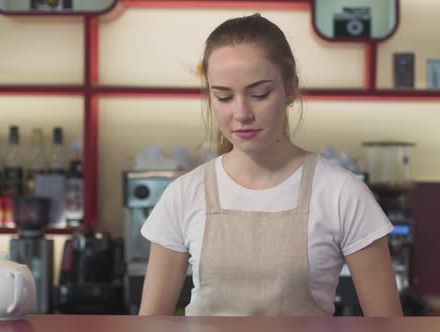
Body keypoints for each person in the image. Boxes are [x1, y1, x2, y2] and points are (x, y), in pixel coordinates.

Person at [138, 13, 402, 317]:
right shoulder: (184, 194)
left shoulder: (341, 193)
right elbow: (150, 323)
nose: (241, 113)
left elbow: (387, 325)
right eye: (223, 97)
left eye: (259, 94)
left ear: (290, 89)